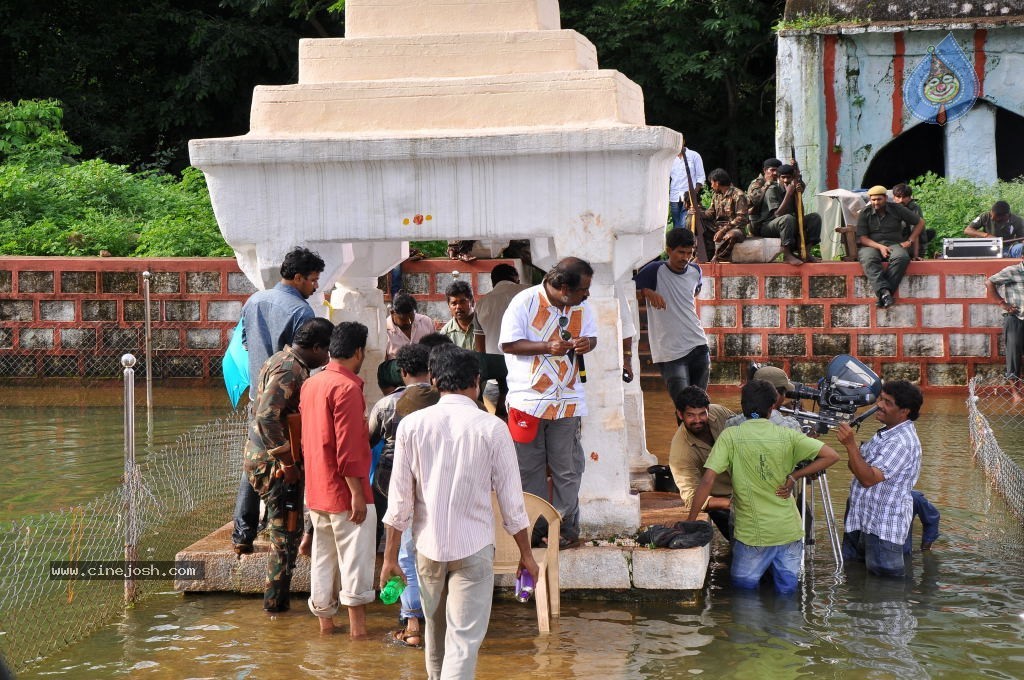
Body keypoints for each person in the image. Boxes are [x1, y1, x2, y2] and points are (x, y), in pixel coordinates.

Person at [380, 345, 539, 679]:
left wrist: (390, 557)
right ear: (477, 382)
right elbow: (513, 504)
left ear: (435, 380)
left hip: (427, 547)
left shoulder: (412, 426)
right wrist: (526, 554)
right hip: (474, 548)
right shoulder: (493, 428)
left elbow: (399, 503)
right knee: (463, 642)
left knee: (435, 637)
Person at [687, 379, 840, 594]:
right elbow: (831, 456)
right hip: (789, 532)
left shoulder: (731, 435)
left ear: (743, 406)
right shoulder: (788, 434)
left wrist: (691, 521)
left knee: (744, 598)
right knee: (787, 598)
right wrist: (794, 476)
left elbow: (707, 480)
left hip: (753, 535)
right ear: (773, 406)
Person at [232, 246, 325, 555]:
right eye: (312, 280)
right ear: (297, 277)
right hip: (289, 399)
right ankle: (284, 531)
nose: (315, 287)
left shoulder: (254, 300)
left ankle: (242, 533)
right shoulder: (301, 312)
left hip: (258, 393)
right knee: (289, 464)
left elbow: (244, 343)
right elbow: (305, 352)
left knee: (256, 458)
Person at [500, 257, 597, 548]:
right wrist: (546, 347)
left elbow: (592, 338)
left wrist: (586, 344)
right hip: (527, 403)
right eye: (583, 290)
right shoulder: (524, 302)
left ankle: (565, 529)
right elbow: (508, 344)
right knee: (529, 469)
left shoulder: (581, 305)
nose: (587, 295)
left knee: (566, 467)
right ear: (563, 288)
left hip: (567, 401)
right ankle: (536, 528)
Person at [243, 317, 333, 612]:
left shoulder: (281, 359)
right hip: (275, 464)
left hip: (265, 458)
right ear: (316, 347)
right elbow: (267, 416)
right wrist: (287, 460)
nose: (328, 357)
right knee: (285, 535)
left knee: (285, 532)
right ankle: (274, 607)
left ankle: (276, 603)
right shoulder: (290, 369)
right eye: (327, 350)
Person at [300, 321, 375, 636]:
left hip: (317, 487)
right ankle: (358, 632)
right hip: (345, 491)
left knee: (323, 557)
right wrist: (357, 492)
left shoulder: (311, 384)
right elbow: (349, 447)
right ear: (358, 352)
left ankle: (326, 625)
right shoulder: (347, 388)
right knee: (355, 560)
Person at [367, 343, 433, 647]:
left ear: (402, 372)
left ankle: (412, 621)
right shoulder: (441, 400)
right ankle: (432, 618)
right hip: (432, 482)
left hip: (392, 479)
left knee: (403, 548)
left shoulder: (386, 404)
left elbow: (368, 440)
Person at [836, 380, 923, 577]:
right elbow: (857, 469)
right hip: (861, 519)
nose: (880, 405)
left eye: (888, 403)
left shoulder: (901, 442)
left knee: (885, 589)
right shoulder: (885, 433)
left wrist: (850, 445)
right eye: (881, 399)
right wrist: (853, 451)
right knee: (854, 579)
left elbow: (868, 479)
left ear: (904, 412)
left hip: (883, 528)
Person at [634, 228, 710, 406]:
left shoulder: (695, 271)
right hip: (670, 353)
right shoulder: (654, 270)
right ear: (668, 250)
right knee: (684, 407)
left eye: (689, 253)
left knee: (700, 407)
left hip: (699, 345)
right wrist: (645, 292)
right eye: (680, 252)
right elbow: (627, 291)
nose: (685, 258)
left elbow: (694, 293)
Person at [668, 385, 735, 539]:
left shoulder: (720, 412)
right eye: (691, 415)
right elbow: (691, 498)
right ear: (680, 414)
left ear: (708, 410)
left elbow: (747, 432)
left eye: (702, 414)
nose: (697, 420)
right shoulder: (680, 452)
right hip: (723, 501)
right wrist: (730, 503)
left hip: (748, 485)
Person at [856, 185, 926, 309]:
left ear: (885, 198)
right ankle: (885, 294)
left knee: (902, 257)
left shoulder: (897, 209)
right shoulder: (865, 212)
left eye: (879, 199)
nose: (876, 202)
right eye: (873, 200)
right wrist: (880, 247)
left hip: (894, 244)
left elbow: (920, 222)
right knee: (868, 259)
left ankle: (884, 294)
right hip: (872, 245)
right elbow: (863, 238)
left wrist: (910, 240)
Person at [475, 264, 528, 418]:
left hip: (493, 365)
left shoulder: (481, 303)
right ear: (516, 278)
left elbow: (480, 346)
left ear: (493, 281)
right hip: (522, 363)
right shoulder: (527, 292)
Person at [757, 164, 822, 265]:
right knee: (787, 218)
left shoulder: (794, 188)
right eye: (783, 177)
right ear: (779, 178)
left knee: (815, 217)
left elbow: (799, 211)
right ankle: (787, 255)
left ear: (792, 178)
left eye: (788, 177)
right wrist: (788, 194)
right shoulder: (772, 189)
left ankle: (806, 252)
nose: (786, 180)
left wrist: (797, 193)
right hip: (769, 226)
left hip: (788, 223)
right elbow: (777, 214)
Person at [378, 291, 435, 393]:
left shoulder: (426, 322)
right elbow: (383, 371)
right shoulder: (382, 331)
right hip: (398, 390)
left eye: (411, 317)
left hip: (426, 387)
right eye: (403, 318)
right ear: (392, 313)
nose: (409, 322)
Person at [986, 259, 1024, 403]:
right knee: (1013, 355)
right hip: (1015, 318)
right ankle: (1016, 394)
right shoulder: (1012, 271)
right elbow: (989, 282)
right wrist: (1002, 303)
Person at [702, 168, 749, 262]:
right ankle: (704, 255)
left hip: (735, 228)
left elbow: (741, 218)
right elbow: (711, 213)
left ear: (717, 183)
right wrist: (699, 213)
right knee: (699, 224)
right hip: (717, 226)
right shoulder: (716, 195)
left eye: (712, 183)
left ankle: (719, 257)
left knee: (732, 235)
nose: (711, 186)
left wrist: (723, 231)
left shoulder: (738, 194)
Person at [668, 137, 705, 228]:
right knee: (676, 225)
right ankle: (679, 242)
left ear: (683, 141)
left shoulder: (694, 155)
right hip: (674, 196)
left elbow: (701, 177)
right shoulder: (669, 158)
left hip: (689, 196)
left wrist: (693, 193)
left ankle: (687, 242)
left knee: (685, 224)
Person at [440, 280, 485, 352]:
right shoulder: (445, 333)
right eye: (454, 303)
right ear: (449, 306)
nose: (458, 307)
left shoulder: (484, 325)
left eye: (462, 302)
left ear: (472, 302)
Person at [747, 158, 782, 236]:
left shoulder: (776, 184)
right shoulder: (757, 183)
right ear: (765, 170)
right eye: (772, 170)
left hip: (770, 221)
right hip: (757, 223)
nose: (775, 173)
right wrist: (767, 184)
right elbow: (753, 201)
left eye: (778, 170)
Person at [892, 183, 928, 259]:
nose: (901, 200)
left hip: (911, 241)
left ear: (910, 197)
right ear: (893, 198)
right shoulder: (889, 208)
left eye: (904, 197)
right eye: (898, 197)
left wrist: (916, 256)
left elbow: (916, 232)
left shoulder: (914, 208)